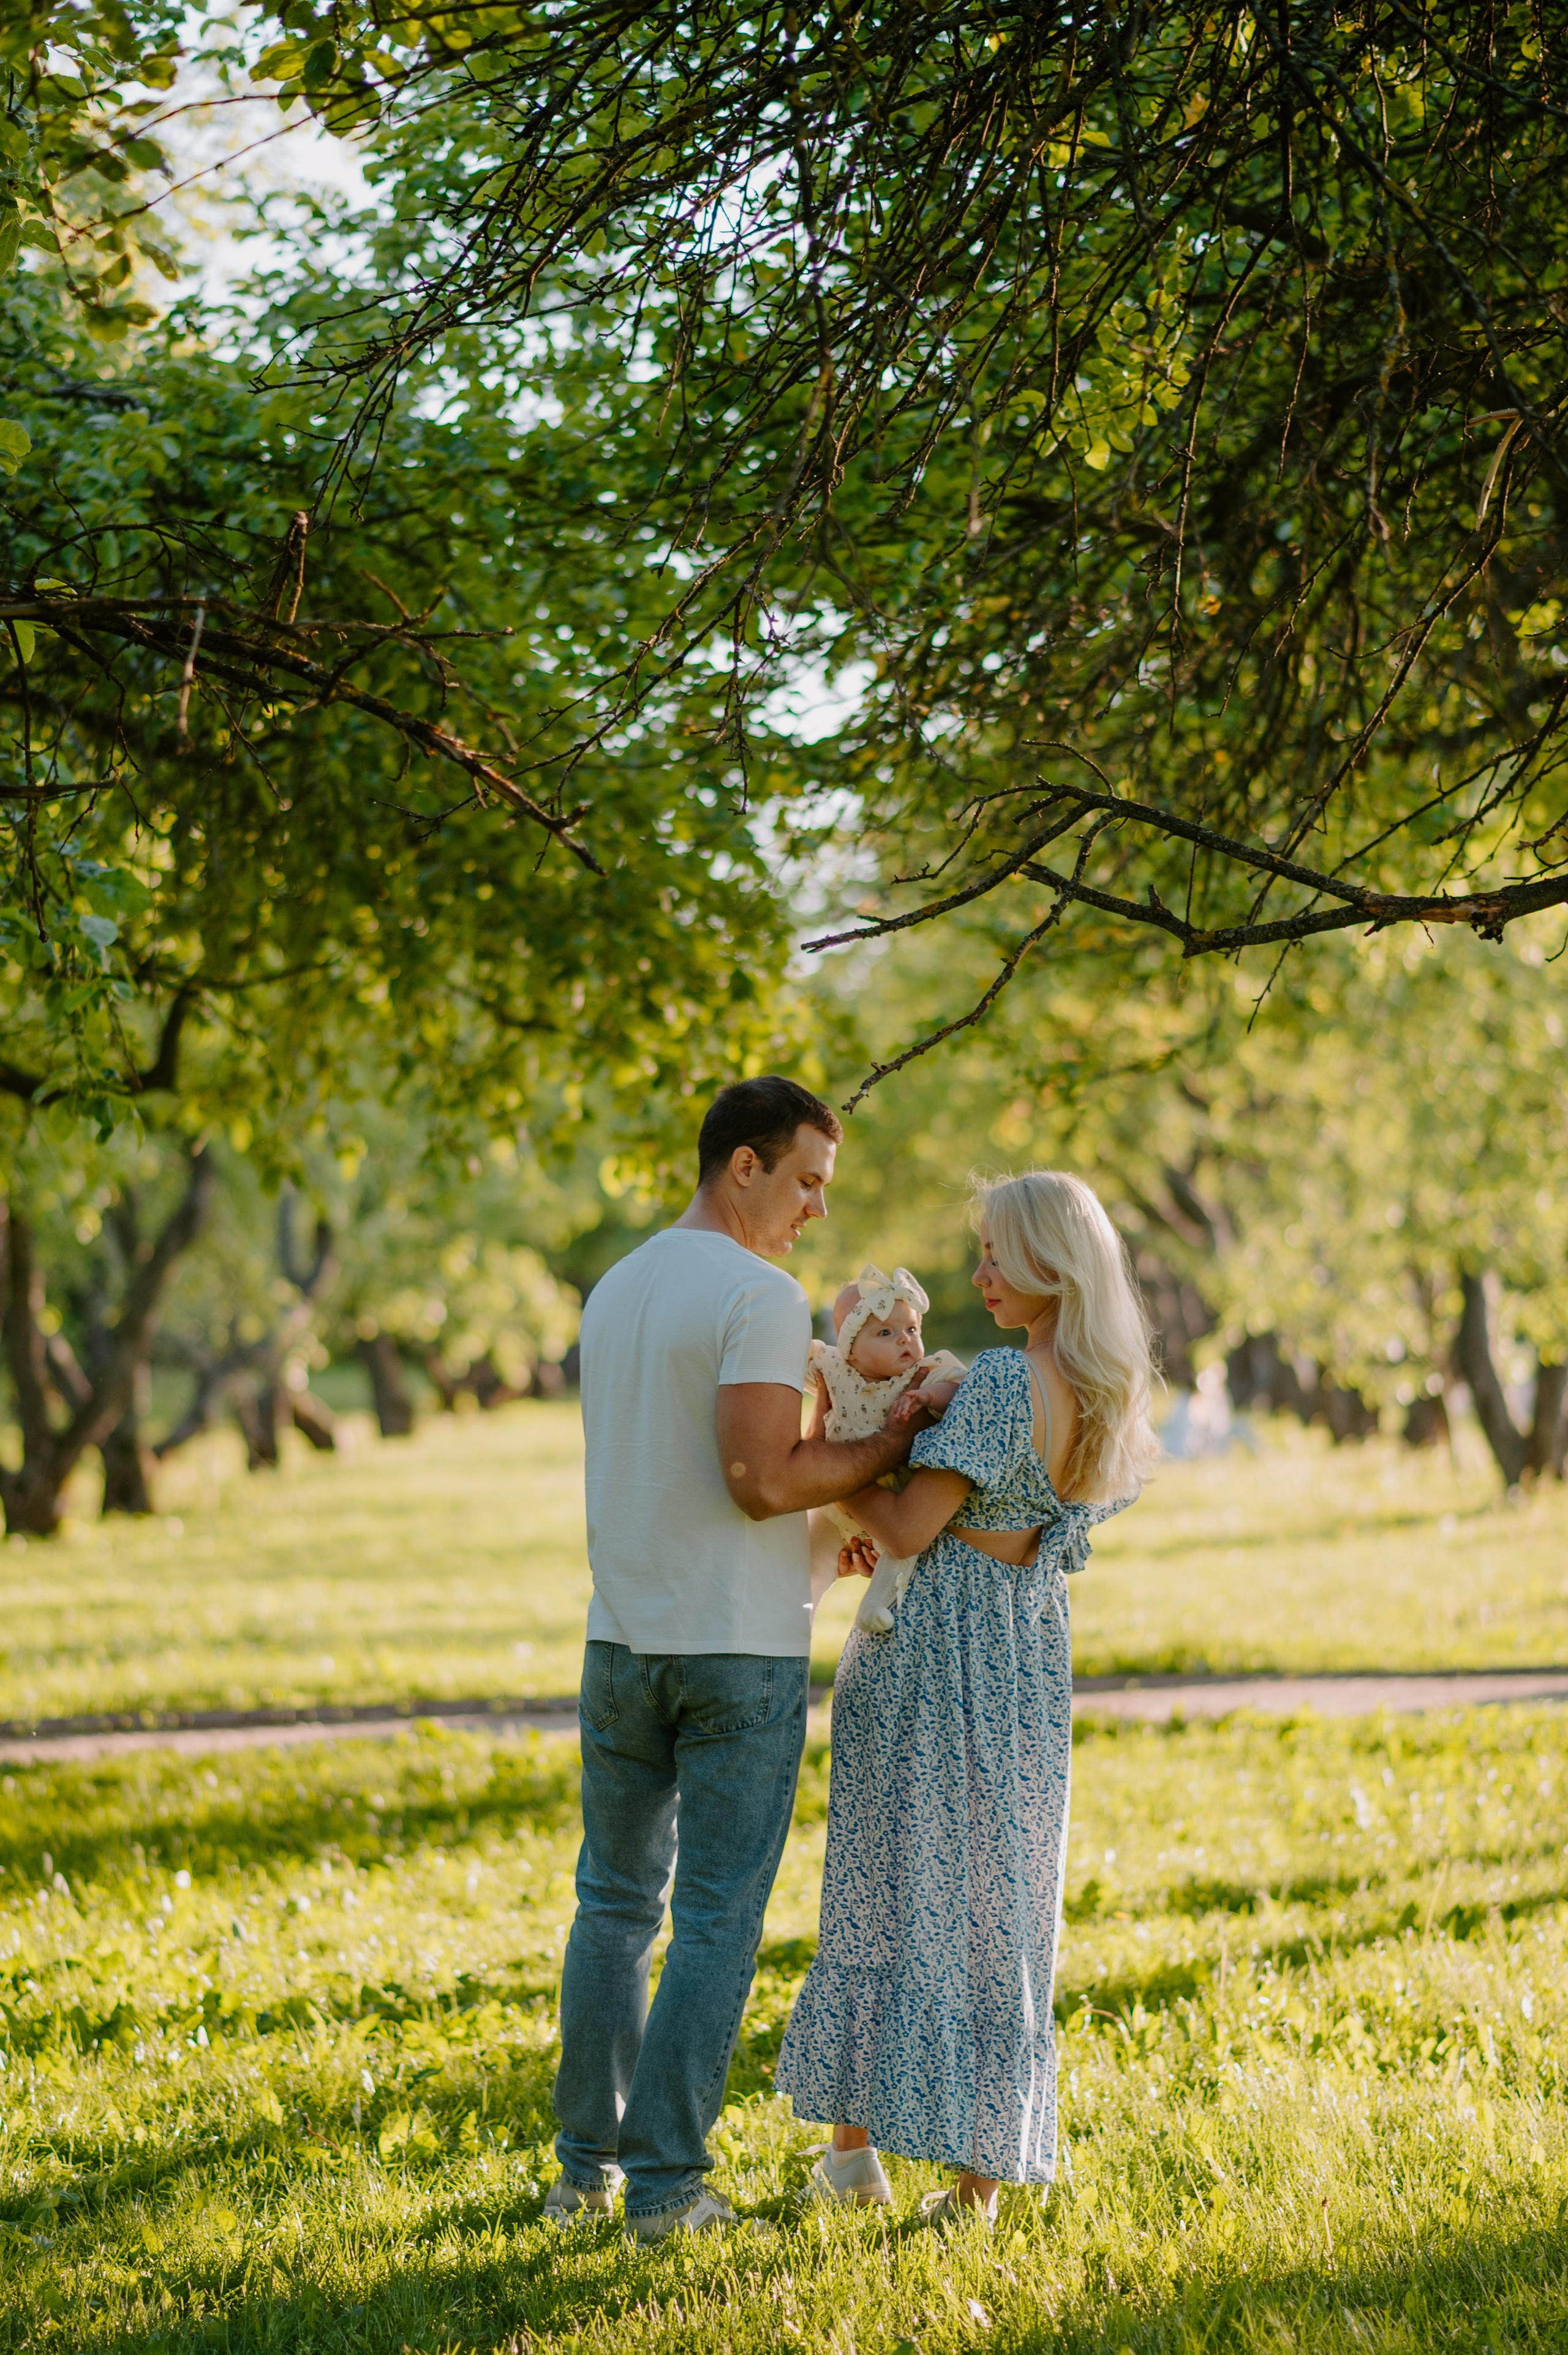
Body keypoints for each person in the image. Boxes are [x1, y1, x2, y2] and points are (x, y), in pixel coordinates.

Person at [546, 1075, 930, 2242]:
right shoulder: (759, 1292)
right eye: (806, 1178)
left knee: (613, 1907)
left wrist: (818, 1538)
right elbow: (760, 1477)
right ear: (743, 1165)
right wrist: (891, 1439)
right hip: (734, 1658)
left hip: (621, 1642)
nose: (818, 1207)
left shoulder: (616, 1285)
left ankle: (583, 2176)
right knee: (715, 1915)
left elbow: (693, 1471)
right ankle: (667, 2188)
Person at [775, 1170, 1158, 2223]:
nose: (981, 1274)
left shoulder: (997, 1382)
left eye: (998, 1255)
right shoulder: (1101, 1389)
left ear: (1051, 1265)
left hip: (934, 1652)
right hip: (1024, 1656)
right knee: (1002, 1907)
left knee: (885, 1885)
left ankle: (853, 2154)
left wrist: (829, 1458)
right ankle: (974, 2183)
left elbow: (907, 1527)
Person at [807, 1263, 965, 1635]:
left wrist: (929, 1396)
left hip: (891, 1498)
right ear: (849, 1348)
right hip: (833, 1496)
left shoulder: (924, 1374)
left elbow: (958, 1387)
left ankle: (875, 1604)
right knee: (809, 1563)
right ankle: (797, 1621)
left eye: (911, 1329)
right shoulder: (833, 1368)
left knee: (896, 1556)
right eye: (885, 1332)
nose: (905, 1340)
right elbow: (786, 1357)